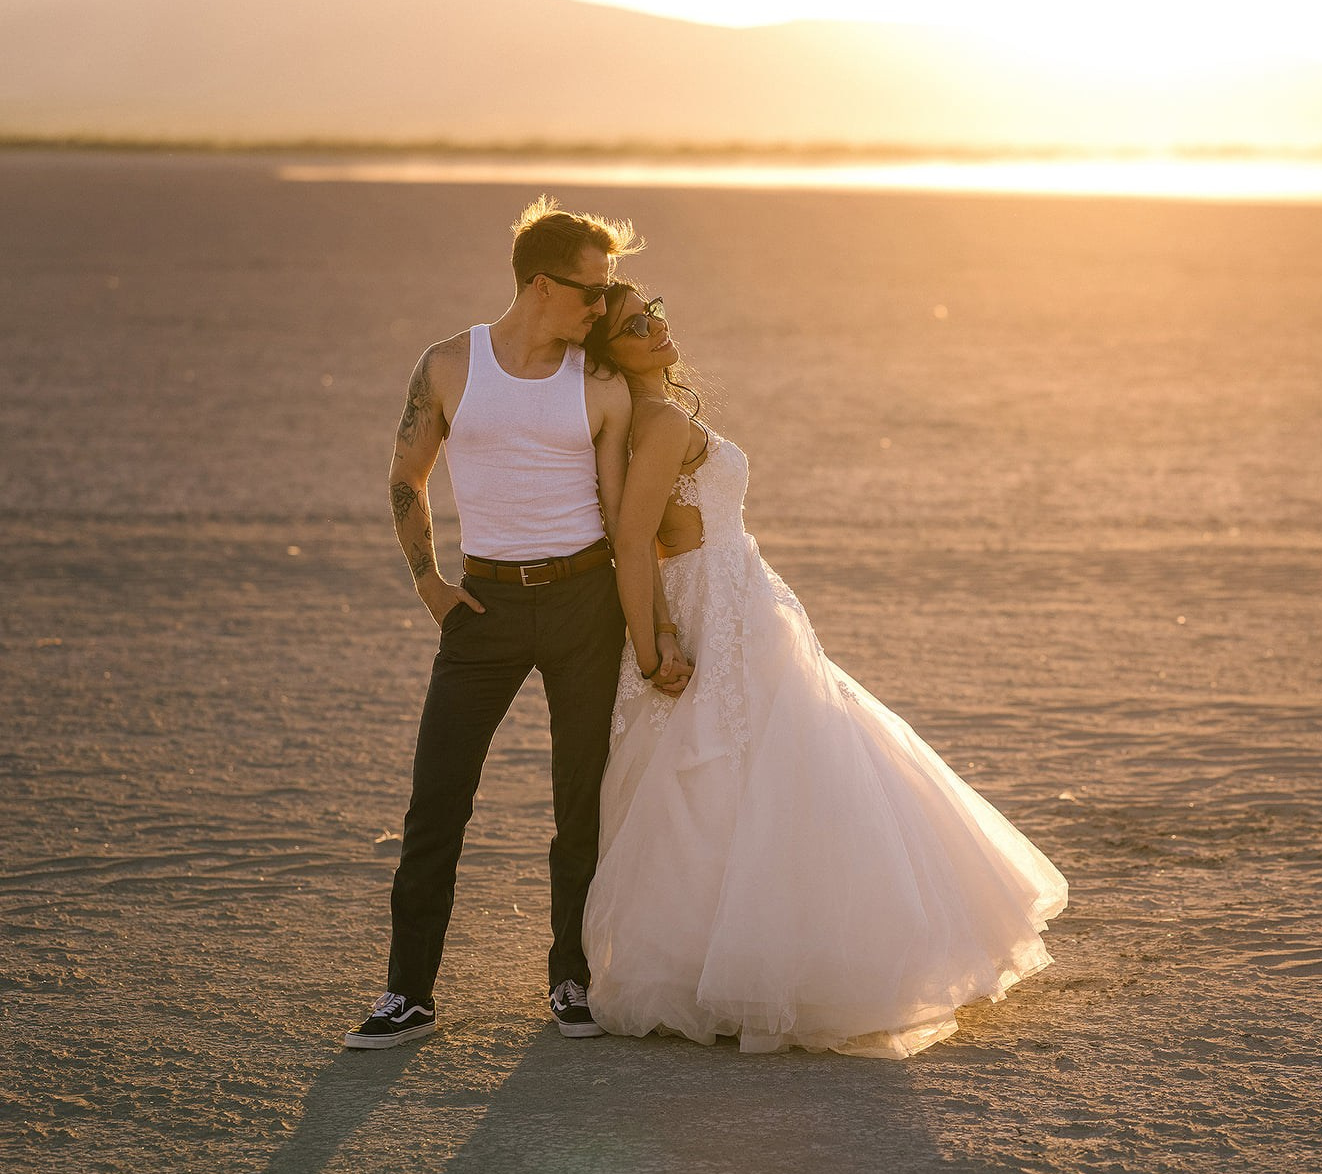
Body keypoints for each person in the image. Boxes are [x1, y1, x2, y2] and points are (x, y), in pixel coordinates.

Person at [579, 285, 1068, 1058]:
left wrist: (667, 625)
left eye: (656, 308)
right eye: (634, 326)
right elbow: (634, 541)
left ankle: (729, 962)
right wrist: (653, 647)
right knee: (746, 770)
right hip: (721, 605)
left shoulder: (644, 420)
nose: (656, 326)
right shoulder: (663, 422)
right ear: (609, 351)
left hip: (732, 599)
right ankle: (751, 968)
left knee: (758, 768)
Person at [345, 199, 689, 1050]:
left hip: (583, 604)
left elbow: (624, 522)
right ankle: (408, 995)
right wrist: (427, 580)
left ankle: (569, 981)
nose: (602, 307)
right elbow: (406, 475)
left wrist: (656, 630)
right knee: (437, 803)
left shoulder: (599, 383)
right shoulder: (450, 365)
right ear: (541, 285)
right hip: (483, 608)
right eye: (590, 290)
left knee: (580, 804)